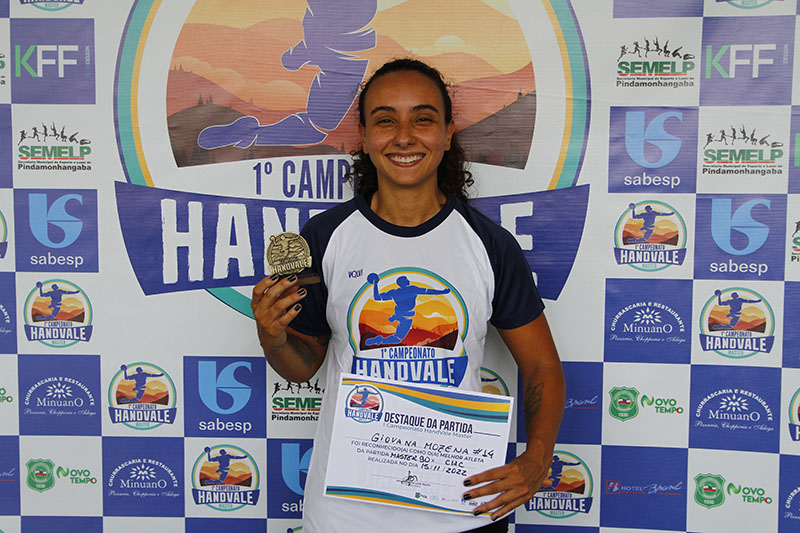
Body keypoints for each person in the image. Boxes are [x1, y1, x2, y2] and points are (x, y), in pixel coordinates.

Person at [252, 58, 565, 533]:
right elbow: (304, 364)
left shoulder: (489, 244)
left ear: (447, 132)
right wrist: (273, 337)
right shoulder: (325, 236)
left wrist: (537, 458)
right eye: (385, 121)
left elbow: (542, 367)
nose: (404, 137)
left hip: (460, 510)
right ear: (363, 136)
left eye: (422, 119)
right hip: (345, 514)